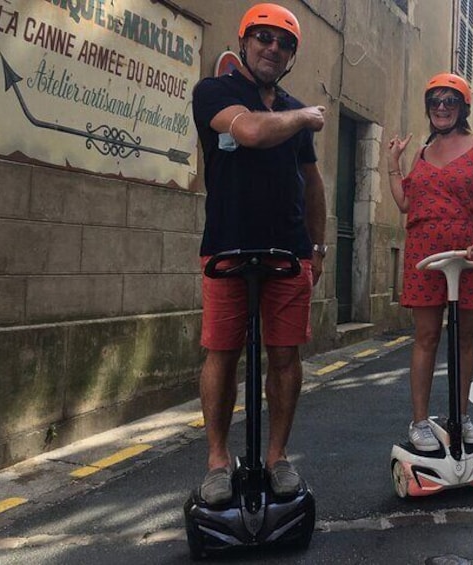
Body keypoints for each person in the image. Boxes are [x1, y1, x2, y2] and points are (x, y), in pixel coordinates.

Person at [191, 3, 327, 504]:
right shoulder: (216, 91)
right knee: (222, 354)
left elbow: (311, 183)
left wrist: (318, 246)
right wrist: (304, 116)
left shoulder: (291, 107)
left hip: (288, 251)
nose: (273, 48)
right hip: (227, 246)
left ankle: (276, 457)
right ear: (245, 42)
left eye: (284, 43)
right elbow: (246, 131)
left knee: (286, 355)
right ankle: (217, 462)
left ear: (291, 55)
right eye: (264, 38)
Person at [386, 73, 473, 451]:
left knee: (464, 337)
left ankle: (462, 416)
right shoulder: (421, 153)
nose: (441, 107)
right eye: (435, 101)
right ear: (428, 108)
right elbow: (406, 203)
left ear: (462, 107)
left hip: (468, 257)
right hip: (425, 257)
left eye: (449, 101)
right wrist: (393, 164)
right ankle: (419, 423)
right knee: (425, 338)